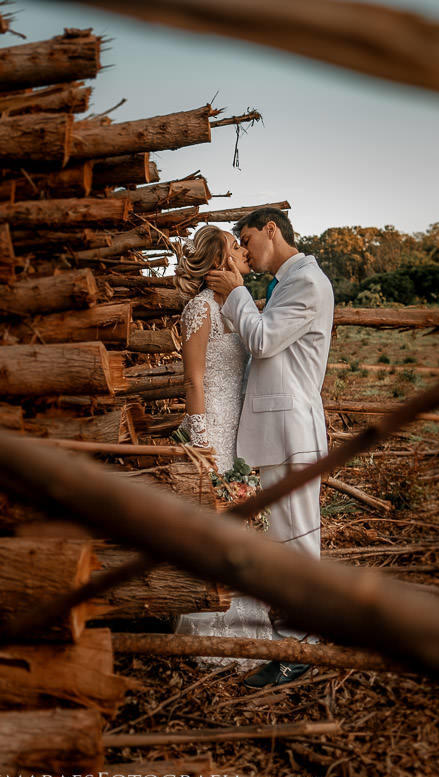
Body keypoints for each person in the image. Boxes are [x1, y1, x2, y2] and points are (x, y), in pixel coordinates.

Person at [207, 207, 335, 688]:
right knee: (289, 540)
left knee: (298, 542)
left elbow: (261, 342)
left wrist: (236, 294)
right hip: (281, 430)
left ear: (271, 230)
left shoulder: (306, 282)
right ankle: (298, 640)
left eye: (248, 239)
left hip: (293, 431)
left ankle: (302, 650)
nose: (247, 251)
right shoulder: (286, 282)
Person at [169, 224, 278, 671]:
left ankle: (246, 623)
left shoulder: (240, 306)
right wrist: (200, 443)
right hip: (211, 426)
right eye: (236, 247)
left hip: (240, 429)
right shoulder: (199, 309)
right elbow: (193, 380)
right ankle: (210, 627)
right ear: (220, 261)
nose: (244, 252)